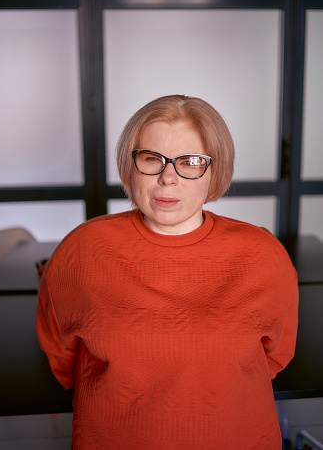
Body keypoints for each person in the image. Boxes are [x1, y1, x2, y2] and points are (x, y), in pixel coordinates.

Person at [36, 94, 298, 450]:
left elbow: (276, 356)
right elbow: (60, 352)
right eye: (151, 159)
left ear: (214, 170)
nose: (168, 178)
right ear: (131, 166)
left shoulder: (263, 255)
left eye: (190, 162)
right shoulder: (81, 250)